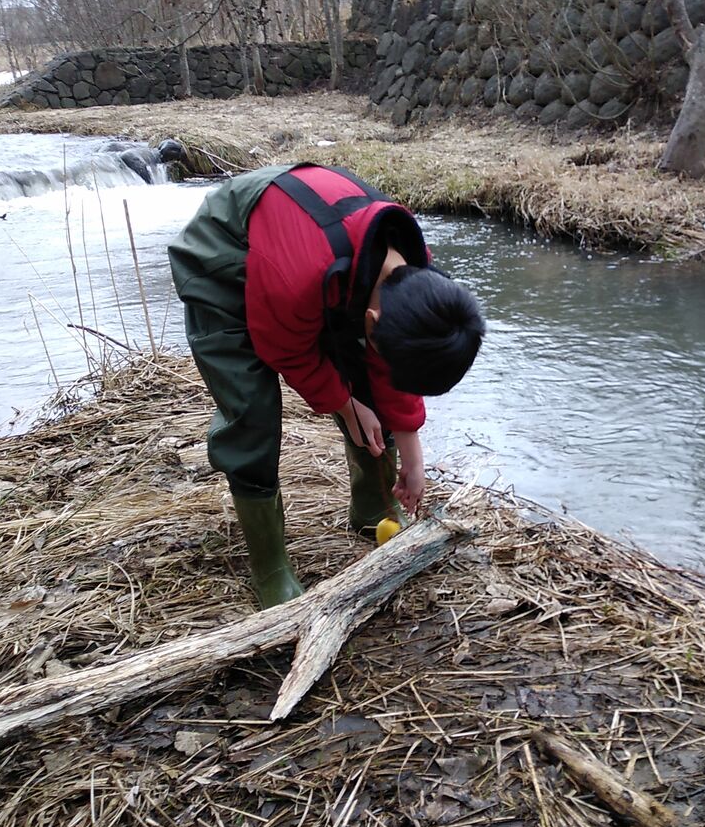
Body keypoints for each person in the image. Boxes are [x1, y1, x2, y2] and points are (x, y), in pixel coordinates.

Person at [168, 163, 485, 609]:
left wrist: (412, 456)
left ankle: (372, 510)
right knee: (252, 415)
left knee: (371, 392)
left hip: (320, 262)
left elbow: (391, 369)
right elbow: (286, 351)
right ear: (370, 321)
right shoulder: (297, 277)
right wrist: (343, 403)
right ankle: (271, 568)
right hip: (226, 259)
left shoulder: (419, 280)